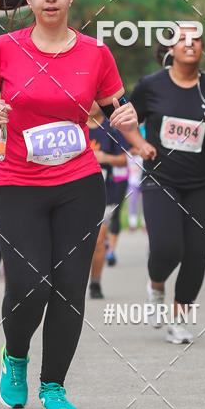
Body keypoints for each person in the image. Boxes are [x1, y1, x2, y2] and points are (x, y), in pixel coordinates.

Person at [0, 0, 138, 409]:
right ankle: (15, 356)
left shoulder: (95, 53)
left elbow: (115, 107)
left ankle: (55, 385)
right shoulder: (5, 49)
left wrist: (131, 127)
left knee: (67, 288)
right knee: (28, 285)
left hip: (78, 182)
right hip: (18, 181)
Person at [123, 28, 205, 344]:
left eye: (197, 39)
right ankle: (156, 284)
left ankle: (178, 320)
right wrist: (141, 145)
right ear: (170, 48)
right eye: (182, 38)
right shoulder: (150, 86)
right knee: (168, 247)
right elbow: (125, 121)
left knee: (197, 253)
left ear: (202, 48)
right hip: (161, 178)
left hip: (203, 183)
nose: (190, 43)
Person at [86, 103, 128, 299]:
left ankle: (95, 282)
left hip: (106, 192)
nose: (93, 104)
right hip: (75, 190)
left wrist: (103, 157)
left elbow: (124, 159)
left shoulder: (111, 127)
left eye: (97, 99)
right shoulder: (75, 126)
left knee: (98, 240)